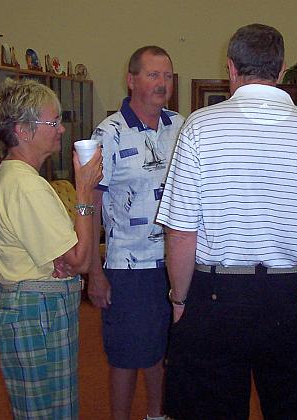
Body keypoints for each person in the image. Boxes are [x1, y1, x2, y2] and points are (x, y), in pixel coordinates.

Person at [156, 23, 297, 420]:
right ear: (281, 70)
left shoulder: (199, 127)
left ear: (231, 68)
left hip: (216, 296)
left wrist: (180, 300)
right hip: (293, 293)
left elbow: (181, 234)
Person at [0, 78, 102, 419]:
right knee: (48, 412)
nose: (62, 129)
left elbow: (63, 259)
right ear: (23, 129)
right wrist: (83, 192)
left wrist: (66, 259)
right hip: (36, 313)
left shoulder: (19, 178)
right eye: (53, 122)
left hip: (37, 308)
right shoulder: (26, 185)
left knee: (48, 408)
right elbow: (79, 260)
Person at [87, 46, 184, 420]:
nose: (162, 83)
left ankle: (157, 415)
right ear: (131, 80)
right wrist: (94, 272)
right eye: (153, 75)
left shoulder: (181, 126)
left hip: (176, 262)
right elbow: (91, 204)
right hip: (129, 267)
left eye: (168, 75)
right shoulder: (108, 134)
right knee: (127, 353)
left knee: (164, 349)